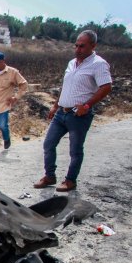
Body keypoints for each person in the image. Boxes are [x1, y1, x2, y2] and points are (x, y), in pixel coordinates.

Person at [33, 30, 112, 192]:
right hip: (62, 112)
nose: (78, 49)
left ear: (93, 45)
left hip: (78, 115)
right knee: (49, 144)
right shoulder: (71, 63)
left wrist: (87, 106)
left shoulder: (99, 64)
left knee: (75, 150)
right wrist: (55, 105)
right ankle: (50, 176)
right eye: (76, 45)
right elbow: (66, 87)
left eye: (82, 46)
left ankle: (70, 180)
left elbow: (106, 87)